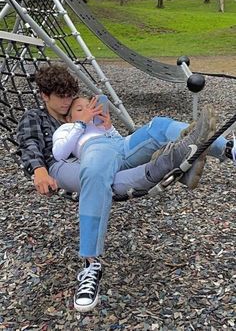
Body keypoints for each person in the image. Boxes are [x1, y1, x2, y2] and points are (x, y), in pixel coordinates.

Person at [16, 64, 234, 313]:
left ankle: (227, 149)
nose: (67, 102)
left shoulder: (82, 107)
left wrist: (106, 126)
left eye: (70, 96)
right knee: (97, 174)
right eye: (60, 97)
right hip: (65, 166)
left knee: (159, 126)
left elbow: (108, 138)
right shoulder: (36, 117)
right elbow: (29, 143)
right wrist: (38, 169)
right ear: (45, 96)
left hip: (110, 150)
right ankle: (91, 264)